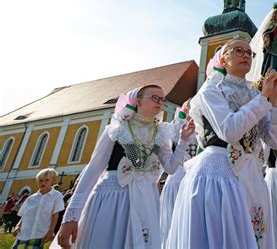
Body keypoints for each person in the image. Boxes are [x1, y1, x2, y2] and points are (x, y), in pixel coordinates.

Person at [167, 39, 277, 249]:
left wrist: (275, 103)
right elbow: (229, 130)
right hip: (219, 174)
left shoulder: (254, 94)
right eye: (239, 50)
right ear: (223, 58)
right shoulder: (211, 90)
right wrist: (264, 98)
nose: (246, 55)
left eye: (250, 53)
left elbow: (274, 140)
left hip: (252, 176)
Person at [57, 85, 195, 249]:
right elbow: (93, 171)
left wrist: (183, 140)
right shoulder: (117, 128)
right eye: (154, 98)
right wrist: (71, 216)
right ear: (138, 101)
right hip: (114, 198)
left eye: (162, 99)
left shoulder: (161, 133)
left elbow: (171, 168)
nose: (160, 102)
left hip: (147, 200)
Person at [160, 99, 198, 248]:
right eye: (189, 108)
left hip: (193, 177)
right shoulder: (175, 127)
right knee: (171, 222)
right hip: (177, 178)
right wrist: (182, 117)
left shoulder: (201, 128)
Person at [12, 168, 64, 248]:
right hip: (24, 234)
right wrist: (18, 226)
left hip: (40, 234)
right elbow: (25, 214)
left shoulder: (57, 196)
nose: (43, 182)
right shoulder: (31, 198)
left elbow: (55, 215)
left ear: (53, 180)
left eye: (46, 180)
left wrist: (51, 232)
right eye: (40, 180)